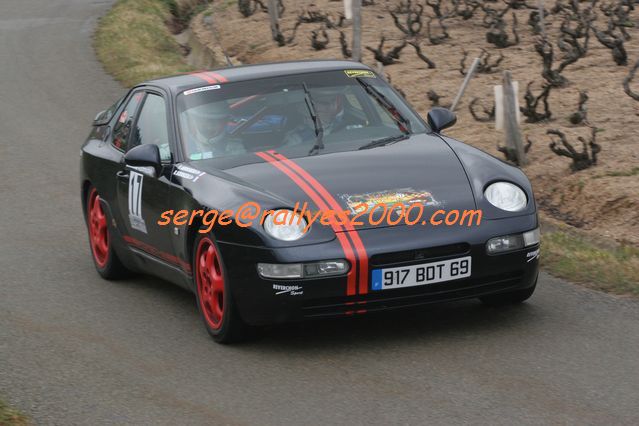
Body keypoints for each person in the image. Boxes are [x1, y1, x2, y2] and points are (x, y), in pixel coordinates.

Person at [283, 87, 366, 148]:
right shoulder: (296, 140)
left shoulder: (352, 129)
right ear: (303, 107)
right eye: (322, 102)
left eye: (332, 101)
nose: (329, 107)